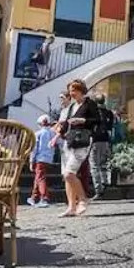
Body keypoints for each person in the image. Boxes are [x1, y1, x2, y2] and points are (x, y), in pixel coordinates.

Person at [57, 79, 102, 217]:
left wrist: (83, 121)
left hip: (83, 141)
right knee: (67, 177)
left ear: (81, 91)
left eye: (74, 90)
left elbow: (98, 121)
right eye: (70, 90)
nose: (71, 93)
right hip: (70, 141)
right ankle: (71, 207)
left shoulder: (90, 104)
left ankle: (83, 200)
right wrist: (57, 136)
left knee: (69, 173)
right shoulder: (71, 107)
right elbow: (66, 124)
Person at [89, 91, 114, 198]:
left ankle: (98, 190)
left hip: (95, 140)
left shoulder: (93, 112)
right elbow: (110, 128)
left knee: (94, 165)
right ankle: (105, 182)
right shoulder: (109, 113)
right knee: (103, 163)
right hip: (106, 140)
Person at [28, 115, 58, 208]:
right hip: (49, 159)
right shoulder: (53, 133)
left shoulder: (38, 134)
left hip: (40, 158)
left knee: (40, 178)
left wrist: (31, 161)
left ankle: (44, 198)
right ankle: (33, 197)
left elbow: (34, 149)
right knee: (38, 177)